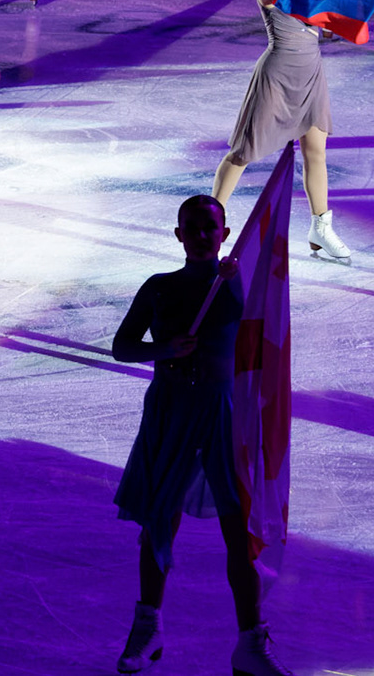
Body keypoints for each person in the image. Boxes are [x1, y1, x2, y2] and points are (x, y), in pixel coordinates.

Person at [110, 195, 293, 676]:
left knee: (239, 530)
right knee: (158, 522)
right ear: (178, 235)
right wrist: (164, 348)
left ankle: (251, 642)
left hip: (223, 419)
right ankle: (148, 627)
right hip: (169, 415)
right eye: (190, 227)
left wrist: (238, 279)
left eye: (209, 227)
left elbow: (268, 323)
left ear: (225, 234)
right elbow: (122, 346)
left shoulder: (238, 286)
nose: (200, 235)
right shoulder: (159, 288)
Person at [210, 0, 349, 262]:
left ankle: (320, 228)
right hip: (278, 76)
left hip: (311, 71)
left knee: (316, 152)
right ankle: (210, 222)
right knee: (243, 152)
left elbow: (319, 2)